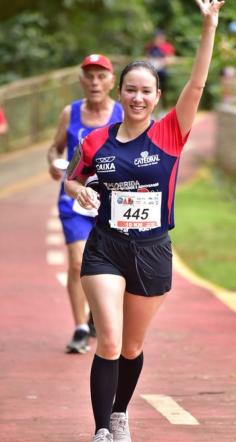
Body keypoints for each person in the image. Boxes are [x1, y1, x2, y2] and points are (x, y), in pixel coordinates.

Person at [65, 0, 224, 442]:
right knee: (109, 340)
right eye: (130, 90)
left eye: (146, 92)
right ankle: (99, 433)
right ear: (120, 93)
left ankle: (119, 414)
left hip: (152, 251)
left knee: (132, 347)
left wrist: (209, 23)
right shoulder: (96, 140)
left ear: (156, 97)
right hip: (105, 249)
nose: (137, 98)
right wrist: (79, 192)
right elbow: (73, 176)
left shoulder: (172, 133)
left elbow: (197, 82)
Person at [47, 54, 123, 354]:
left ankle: (95, 316)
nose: (95, 82)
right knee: (78, 262)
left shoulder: (121, 113)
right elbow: (55, 147)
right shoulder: (71, 113)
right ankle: (80, 327)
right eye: (89, 76)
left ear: (111, 82)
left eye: (101, 76)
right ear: (81, 81)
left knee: (110, 267)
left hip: (110, 203)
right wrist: (54, 162)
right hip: (74, 199)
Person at [145, 29, 175, 109]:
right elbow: (148, 57)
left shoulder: (166, 47)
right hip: (153, 73)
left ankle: (164, 109)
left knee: (163, 92)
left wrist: (159, 63)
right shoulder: (150, 47)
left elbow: (170, 59)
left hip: (163, 73)